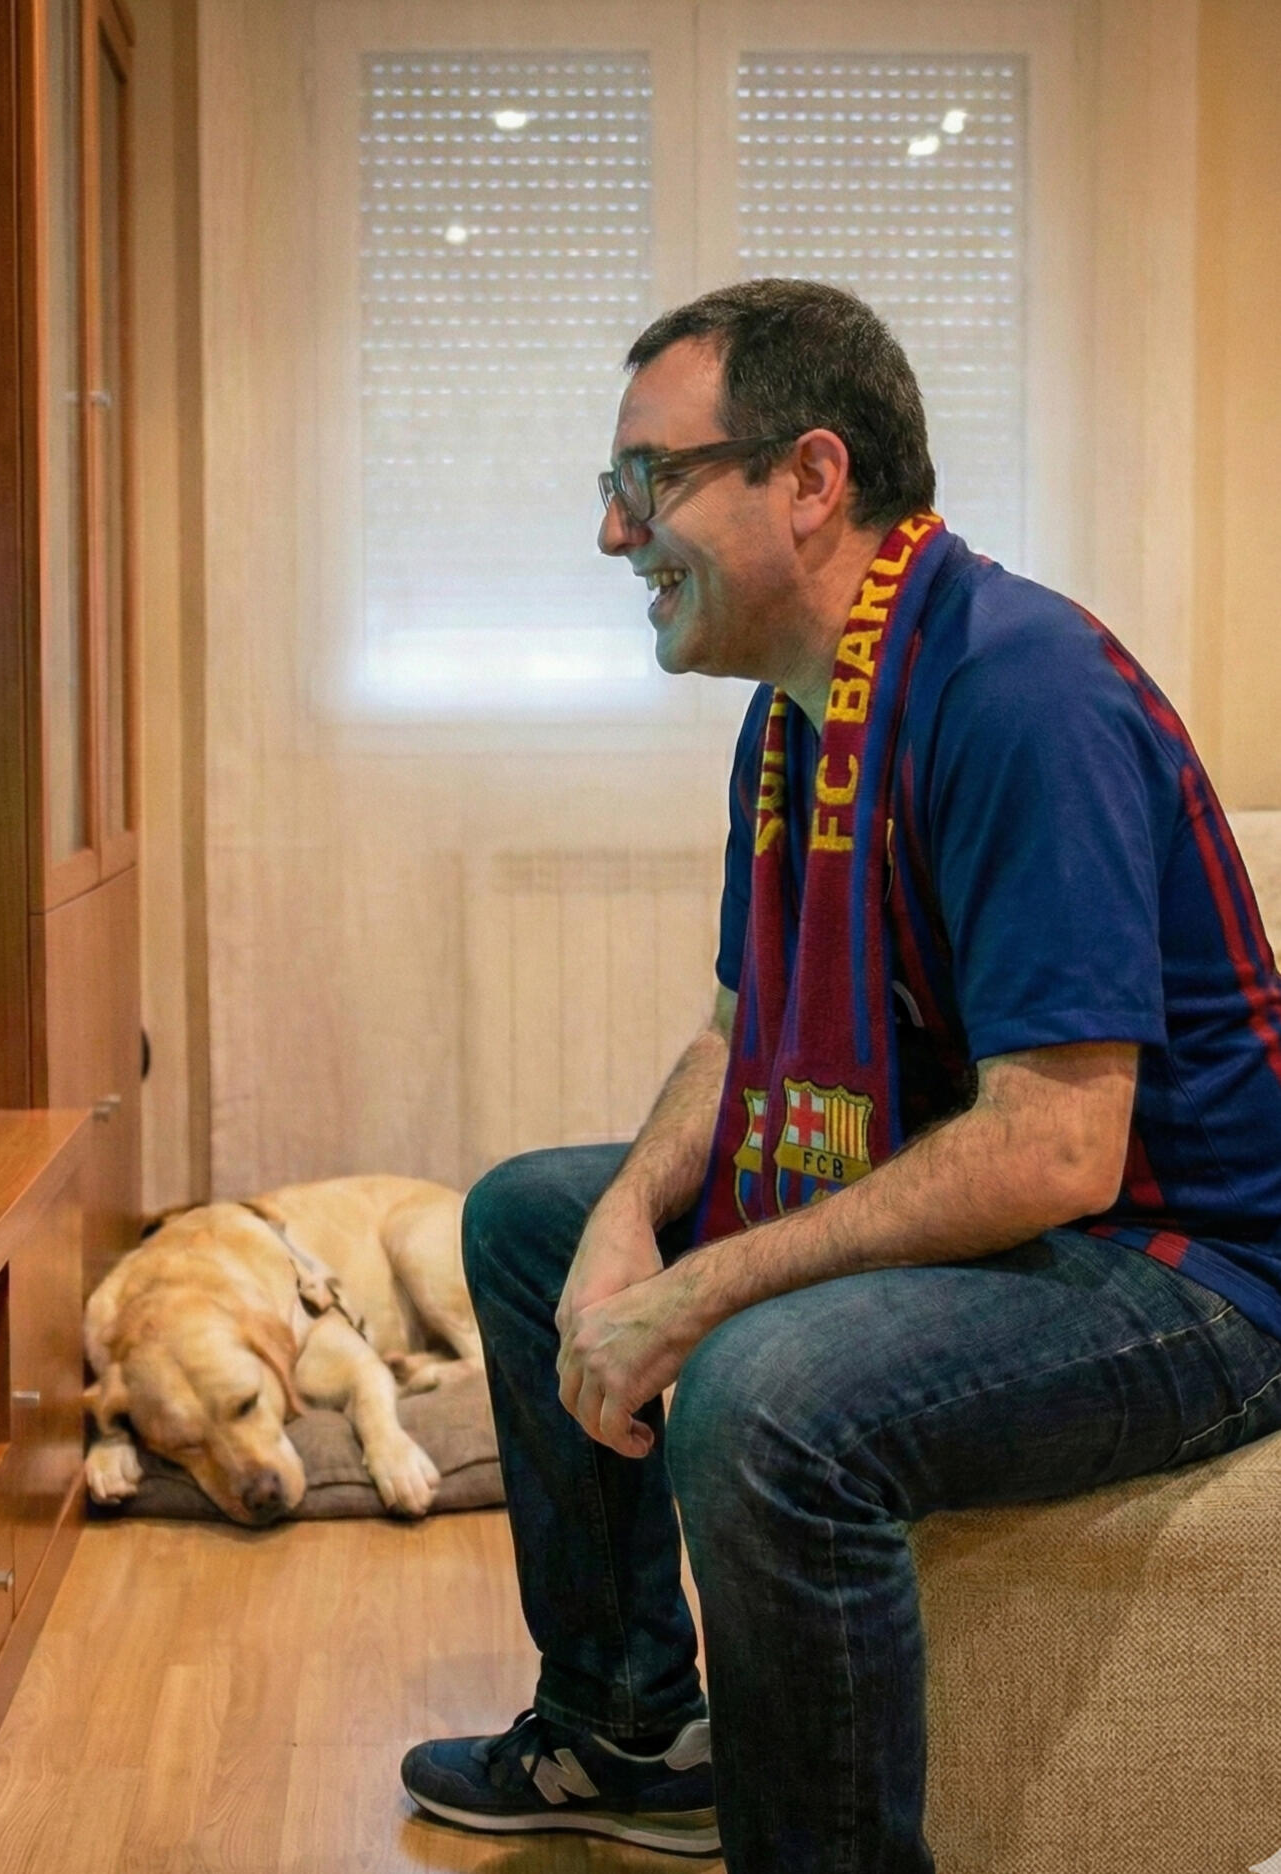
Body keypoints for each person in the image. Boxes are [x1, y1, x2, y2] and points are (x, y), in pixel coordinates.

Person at [398, 279, 1281, 1873]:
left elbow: (1057, 1151)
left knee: (763, 1394)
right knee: (532, 1218)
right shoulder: (793, 720)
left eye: (649, 479)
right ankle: (629, 1726)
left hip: (1188, 1267)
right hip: (1037, 1211)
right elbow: (735, 1033)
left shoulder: (1021, 691)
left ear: (810, 477)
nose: (613, 532)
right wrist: (627, 1219)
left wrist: (698, 1292)